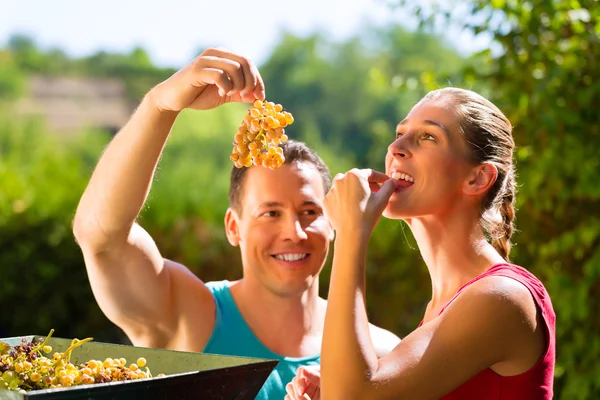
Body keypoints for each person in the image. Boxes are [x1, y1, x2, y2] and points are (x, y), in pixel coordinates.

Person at [72, 48, 400, 399]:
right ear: (233, 226)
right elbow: (100, 237)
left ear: (333, 222)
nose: (294, 232)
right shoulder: (188, 315)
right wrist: (160, 106)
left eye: (310, 211)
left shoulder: (379, 352)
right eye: (270, 213)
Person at [286, 87, 555, 400]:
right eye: (401, 132)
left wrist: (350, 233)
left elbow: (353, 396)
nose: (396, 147)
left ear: (478, 178)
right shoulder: (441, 308)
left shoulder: (502, 297)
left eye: (429, 137)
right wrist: (334, 385)